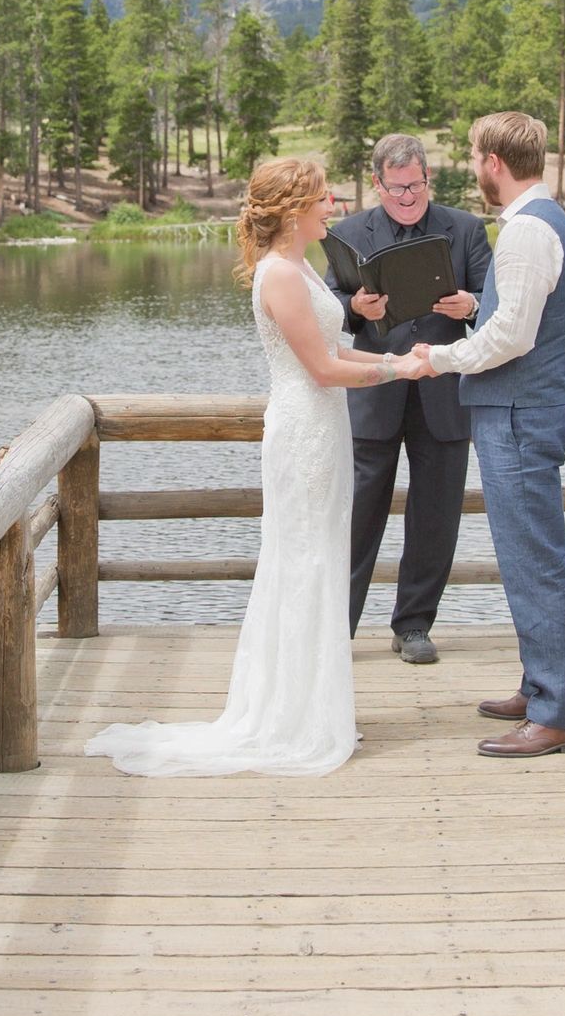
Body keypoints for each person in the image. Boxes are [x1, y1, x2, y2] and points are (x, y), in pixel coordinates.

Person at [88, 157, 434, 778]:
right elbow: (323, 371)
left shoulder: (301, 266)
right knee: (303, 561)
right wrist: (397, 369)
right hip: (303, 428)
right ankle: (292, 719)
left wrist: (396, 354)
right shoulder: (279, 274)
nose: (333, 204)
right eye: (322, 196)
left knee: (321, 557)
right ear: (294, 208)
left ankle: (312, 706)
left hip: (324, 427)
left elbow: (333, 348)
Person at [414, 111, 565, 759]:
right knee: (528, 558)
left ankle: (558, 712)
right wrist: (472, 311)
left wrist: (437, 356)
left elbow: (512, 337)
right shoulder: (544, 223)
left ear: (493, 162)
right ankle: (541, 684)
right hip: (522, 410)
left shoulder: (524, 234)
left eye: (474, 155)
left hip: (517, 414)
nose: (473, 165)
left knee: (533, 561)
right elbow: (515, 319)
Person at [323, 133, 491, 664]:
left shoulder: (465, 229)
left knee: (436, 516)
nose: (406, 197)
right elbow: (327, 305)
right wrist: (355, 309)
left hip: (443, 396)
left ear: (428, 179)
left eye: (414, 186)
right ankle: (337, 628)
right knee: (357, 514)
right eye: (395, 189)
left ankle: (414, 625)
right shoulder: (349, 232)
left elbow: (498, 305)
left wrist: (469, 305)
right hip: (374, 394)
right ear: (377, 185)